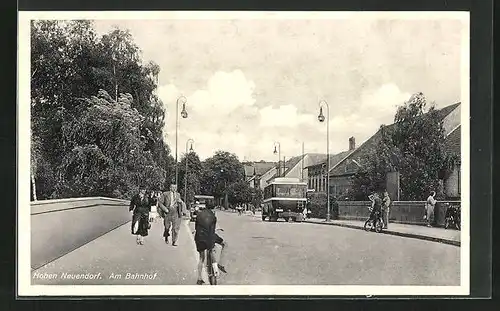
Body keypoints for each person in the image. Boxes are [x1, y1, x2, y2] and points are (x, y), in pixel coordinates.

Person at [194, 201, 228, 285]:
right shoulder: (213, 217)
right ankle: (220, 264)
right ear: (213, 209)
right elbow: (212, 231)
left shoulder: (199, 214)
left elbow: (196, 227)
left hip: (199, 238)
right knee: (222, 245)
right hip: (209, 238)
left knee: (201, 258)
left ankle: (199, 278)